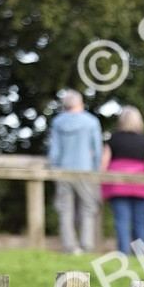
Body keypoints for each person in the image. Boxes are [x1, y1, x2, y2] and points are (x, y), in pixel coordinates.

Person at [47, 89, 103, 253]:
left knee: (66, 210)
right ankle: (86, 245)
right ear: (80, 103)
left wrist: (55, 170)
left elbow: (55, 151)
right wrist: (95, 170)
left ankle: (69, 246)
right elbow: (97, 150)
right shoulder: (91, 122)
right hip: (85, 171)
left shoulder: (58, 122)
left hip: (63, 171)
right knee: (88, 208)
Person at [101, 106, 144, 255]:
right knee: (140, 221)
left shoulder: (113, 139)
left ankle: (123, 253)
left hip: (117, 186)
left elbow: (104, 162)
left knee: (121, 222)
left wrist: (99, 180)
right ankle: (141, 254)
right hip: (141, 186)